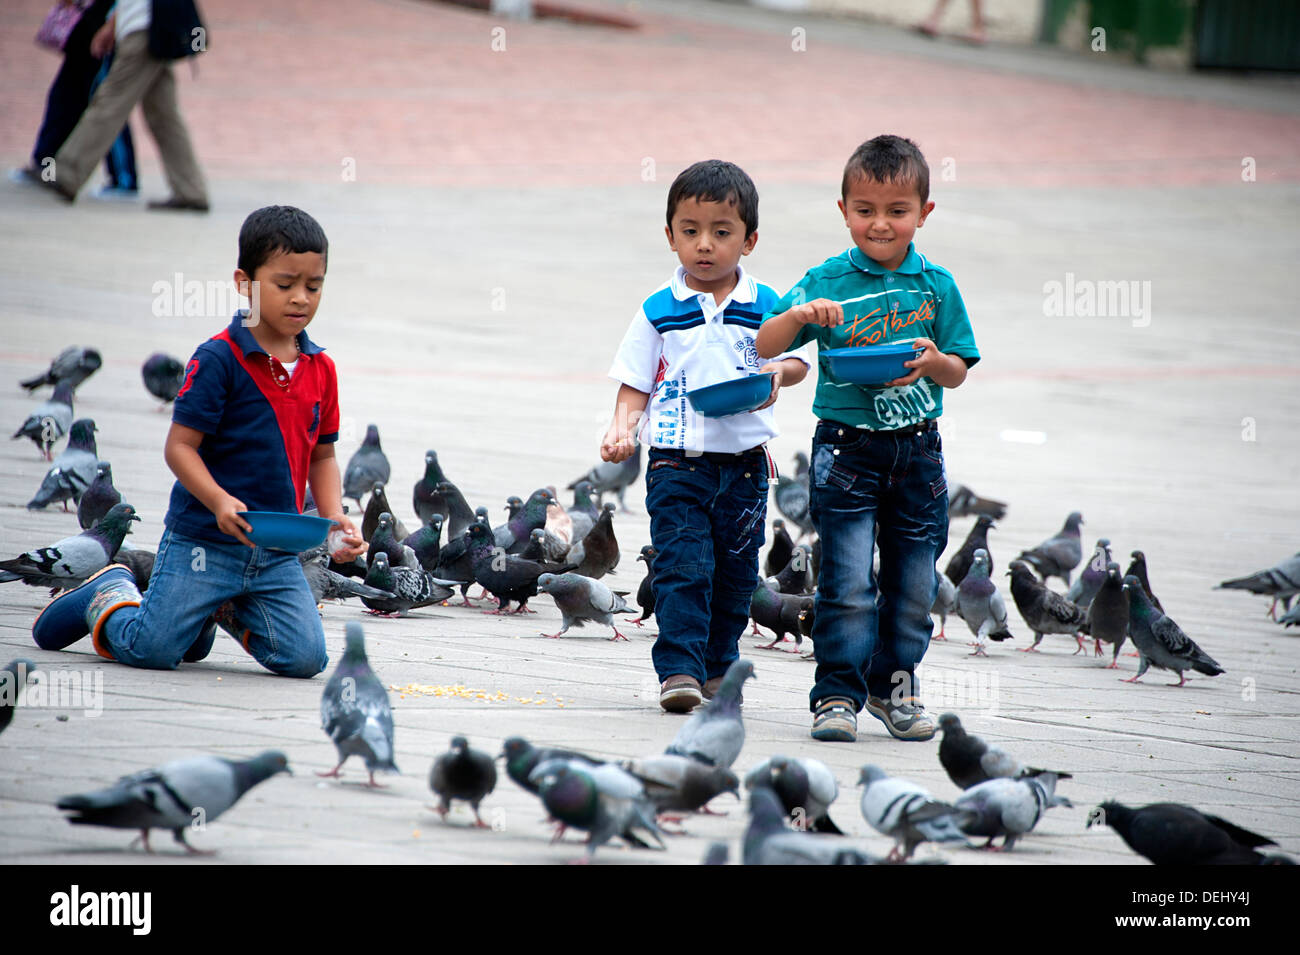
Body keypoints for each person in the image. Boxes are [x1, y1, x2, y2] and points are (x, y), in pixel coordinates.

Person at [33, 206, 366, 677]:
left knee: (305, 659)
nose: (301, 299)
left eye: (314, 286)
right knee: (153, 650)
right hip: (203, 542)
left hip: (275, 553)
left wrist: (334, 518)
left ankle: (220, 608)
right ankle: (108, 593)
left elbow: (324, 454)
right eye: (285, 284)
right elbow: (179, 448)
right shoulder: (219, 359)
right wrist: (218, 500)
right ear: (244, 282)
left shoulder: (320, 368)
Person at [756, 135, 980, 742]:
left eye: (897, 211)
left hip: (918, 451)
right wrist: (801, 316)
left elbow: (957, 370)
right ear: (843, 209)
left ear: (923, 214)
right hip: (846, 450)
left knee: (914, 586)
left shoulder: (937, 285)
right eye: (865, 210)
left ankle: (893, 690)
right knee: (848, 583)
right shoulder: (826, 279)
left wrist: (933, 362)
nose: (880, 225)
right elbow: (764, 346)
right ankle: (835, 695)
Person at [602, 160, 810, 713]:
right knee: (683, 565)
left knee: (738, 572)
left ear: (750, 239)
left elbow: (796, 363)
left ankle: (719, 667)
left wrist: (777, 376)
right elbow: (633, 382)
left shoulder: (768, 305)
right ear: (669, 235)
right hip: (676, 461)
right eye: (690, 231)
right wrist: (622, 427)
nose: (705, 245)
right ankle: (679, 669)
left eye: (722, 232)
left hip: (744, 466)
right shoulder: (658, 311)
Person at [41, 0, 208, 209]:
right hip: (156, 29)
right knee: (164, 116)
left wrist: (111, 25)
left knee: (109, 103)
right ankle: (191, 190)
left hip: (142, 30)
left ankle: (66, 173)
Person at [13, 0, 138, 199]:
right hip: (89, 23)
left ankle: (124, 180)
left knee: (106, 105)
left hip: (108, 22)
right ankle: (46, 167)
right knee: (64, 98)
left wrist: (111, 25)